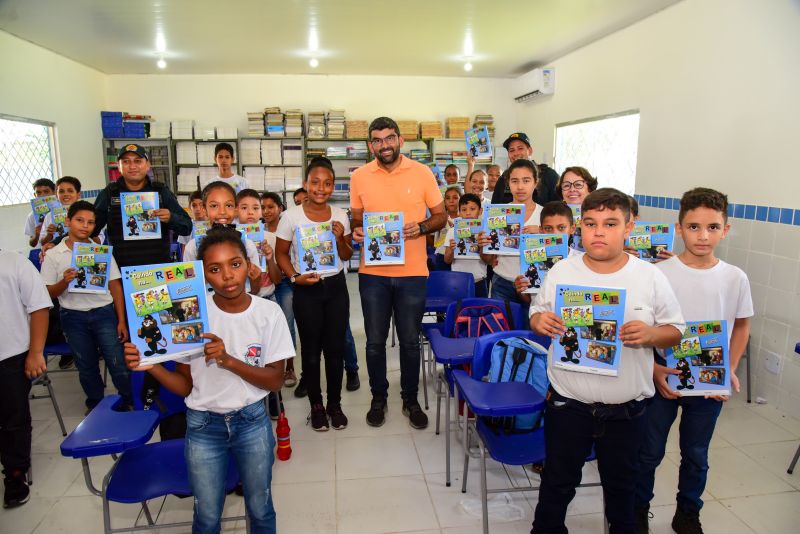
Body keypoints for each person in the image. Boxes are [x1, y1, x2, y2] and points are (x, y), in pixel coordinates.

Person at [529, 187, 685, 533]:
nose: (598, 232)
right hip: (568, 406)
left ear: (629, 227)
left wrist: (650, 335)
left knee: (622, 491)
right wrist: (539, 320)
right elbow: (537, 313)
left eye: (610, 223)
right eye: (590, 223)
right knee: (556, 484)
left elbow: (676, 330)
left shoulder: (650, 276)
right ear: (579, 227)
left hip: (626, 411)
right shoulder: (561, 272)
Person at [124, 226, 294, 533]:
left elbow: (275, 381)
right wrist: (150, 366)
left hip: (252, 421)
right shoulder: (190, 317)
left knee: (260, 506)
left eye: (235, 264)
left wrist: (228, 360)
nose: (227, 276)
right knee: (206, 513)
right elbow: (185, 387)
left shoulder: (269, 313)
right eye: (215, 269)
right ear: (203, 275)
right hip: (203, 425)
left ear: (248, 264)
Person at [634, 188, 753, 534]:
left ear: (726, 230)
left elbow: (741, 326)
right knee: (649, 452)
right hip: (662, 378)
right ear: (679, 228)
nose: (703, 236)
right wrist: (653, 368)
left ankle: (688, 513)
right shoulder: (658, 273)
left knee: (696, 454)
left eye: (713, 227)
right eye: (694, 227)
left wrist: (727, 369)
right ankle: (637, 510)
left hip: (708, 384)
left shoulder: (735, 277)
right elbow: (644, 329)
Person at [350, 116, 446, 429]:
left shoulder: (422, 173)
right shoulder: (360, 176)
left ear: (400, 140)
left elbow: (441, 216)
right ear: (370, 145)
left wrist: (420, 228)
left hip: (414, 273)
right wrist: (357, 233)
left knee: (409, 340)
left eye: (389, 138)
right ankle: (379, 397)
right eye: (377, 140)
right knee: (375, 341)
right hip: (373, 273)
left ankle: (410, 398)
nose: (384, 145)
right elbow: (356, 220)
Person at [275, 156, 353, 431]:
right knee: (310, 350)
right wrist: (295, 277)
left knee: (335, 349)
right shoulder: (290, 216)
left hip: (335, 287)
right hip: (306, 287)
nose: (321, 188)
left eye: (328, 183)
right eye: (315, 182)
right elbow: (280, 253)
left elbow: (346, 255)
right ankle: (316, 405)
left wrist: (341, 237)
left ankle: (335, 403)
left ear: (334, 186)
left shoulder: (340, 215)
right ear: (306, 184)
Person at [40, 201, 132, 413]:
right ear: (68, 221)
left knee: (117, 362)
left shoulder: (101, 252)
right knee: (86, 365)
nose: (85, 226)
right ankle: (96, 404)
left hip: (104, 313)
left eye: (90, 222)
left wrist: (121, 320)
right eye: (80, 220)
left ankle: (127, 399)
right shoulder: (54, 254)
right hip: (72, 317)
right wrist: (64, 281)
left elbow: (115, 286)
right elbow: (47, 293)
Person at [0, 249, 50, 508]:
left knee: (13, 419)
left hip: (10, 355)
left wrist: (36, 352)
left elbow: (39, 307)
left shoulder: (14, 261)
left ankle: (15, 474)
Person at [93, 144, 192, 268]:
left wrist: (171, 218)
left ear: (147, 165)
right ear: (118, 166)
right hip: (122, 272)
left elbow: (187, 227)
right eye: (126, 161)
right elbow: (91, 229)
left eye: (138, 161)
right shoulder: (109, 194)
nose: (132, 166)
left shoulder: (161, 192)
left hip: (158, 270)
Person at [485, 159, 543, 317]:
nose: (520, 187)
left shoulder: (544, 216)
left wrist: (543, 234)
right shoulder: (497, 214)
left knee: (530, 337)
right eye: (515, 181)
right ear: (508, 183)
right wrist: (484, 245)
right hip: (502, 282)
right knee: (501, 336)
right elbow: (488, 258)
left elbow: (558, 251)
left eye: (526, 180)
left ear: (535, 183)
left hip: (534, 287)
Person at [183, 182, 262, 294]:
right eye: (214, 206)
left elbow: (254, 291)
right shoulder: (192, 248)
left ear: (235, 209)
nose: (222, 212)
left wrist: (256, 280)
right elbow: (188, 288)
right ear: (204, 209)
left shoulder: (247, 245)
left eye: (228, 205)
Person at [261, 192, 299, 389]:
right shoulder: (256, 232)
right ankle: (267, 365)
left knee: (287, 323)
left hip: (284, 282)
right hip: (263, 283)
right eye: (263, 207)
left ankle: (289, 367)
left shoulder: (288, 229)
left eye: (270, 207)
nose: (266, 211)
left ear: (280, 208)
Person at [513, 200, 580, 301]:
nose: (555, 234)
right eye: (548, 228)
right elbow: (530, 300)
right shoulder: (532, 257)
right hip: (539, 315)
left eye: (561, 228)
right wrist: (522, 290)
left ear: (572, 228)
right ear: (540, 230)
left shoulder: (581, 260)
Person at [443, 193, 492, 297]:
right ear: (459, 212)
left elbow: (488, 261)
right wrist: (451, 250)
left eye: (472, 209)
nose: (468, 213)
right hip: (458, 281)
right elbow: (447, 260)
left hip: (479, 280)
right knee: (459, 311)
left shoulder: (485, 233)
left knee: (480, 311)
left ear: (480, 211)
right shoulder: (452, 232)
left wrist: (482, 246)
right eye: (464, 210)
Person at [491, 133, 559, 206]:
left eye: (520, 148)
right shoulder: (503, 178)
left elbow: (560, 208)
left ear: (530, 151)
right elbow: (494, 210)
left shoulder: (548, 175)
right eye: (511, 150)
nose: (516, 153)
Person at [237, 189, 280, 300]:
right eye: (244, 208)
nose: (250, 212)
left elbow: (277, 280)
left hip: (268, 297)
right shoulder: (229, 238)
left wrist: (270, 259)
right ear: (236, 210)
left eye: (255, 208)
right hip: (240, 298)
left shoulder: (270, 237)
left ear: (260, 211)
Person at [430, 186, 460, 271]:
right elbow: (432, 239)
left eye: (455, 198)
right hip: (441, 256)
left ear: (461, 200)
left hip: (459, 258)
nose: (451, 201)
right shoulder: (439, 218)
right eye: (447, 198)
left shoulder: (464, 220)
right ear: (444, 201)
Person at [25, 178, 56, 248]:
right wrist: (37, 235)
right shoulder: (32, 216)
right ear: (35, 195)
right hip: (44, 254)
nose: (42, 195)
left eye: (46, 191)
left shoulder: (63, 211)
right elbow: (32, 244)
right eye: (38, 192)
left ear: (54, 192)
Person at [178, 190, 207, 255]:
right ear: (189, 207)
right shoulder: (186, 226)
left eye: (201, 205)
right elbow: (184, 249)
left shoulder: (214, 224)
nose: (198, 209)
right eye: (194, 205)